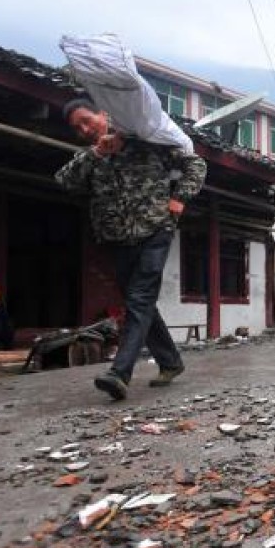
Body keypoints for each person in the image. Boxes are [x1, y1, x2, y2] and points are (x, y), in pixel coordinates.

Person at [55, 98, 206, 401]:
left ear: (104, 113)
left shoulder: (145, 139)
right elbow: (64, 181)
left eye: (88, 120)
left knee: (138, 299)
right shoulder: (90, 157)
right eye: (78, 127)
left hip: (155, 230)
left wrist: (178, 202)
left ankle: (119, 373)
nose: (85, 129)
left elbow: (195, 164)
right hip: (118, 240)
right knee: (141, 301)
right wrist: (96, 153)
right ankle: (170, 361)